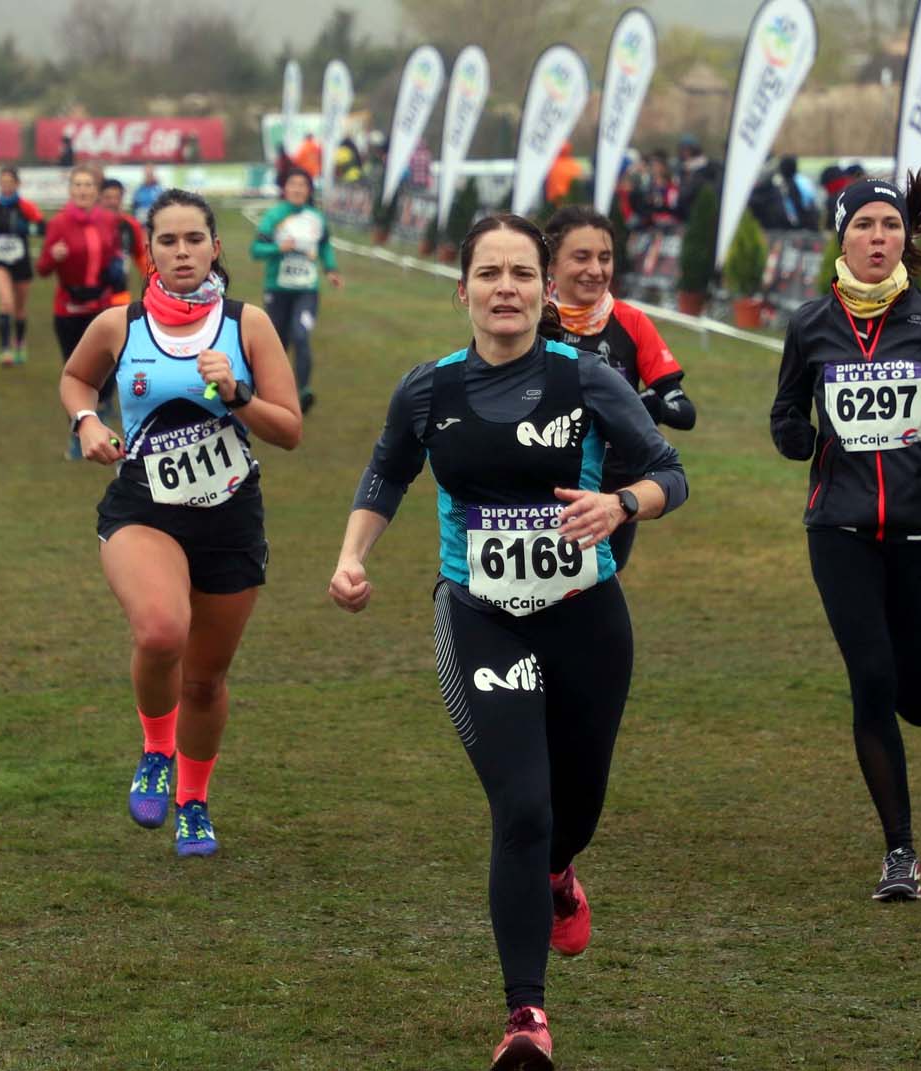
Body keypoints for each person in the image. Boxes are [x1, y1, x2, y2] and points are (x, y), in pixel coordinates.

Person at [328, 212, 687, 1070]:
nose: (505, 289)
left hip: (585, 618)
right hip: (481, 614)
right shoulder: (428, 389)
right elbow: (387, 471)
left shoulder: (590, 379)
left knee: (577, 807)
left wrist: (623, 504)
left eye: (522, 273)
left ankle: (564, 872)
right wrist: (350, 556)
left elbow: (668, 471)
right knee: (522, 807)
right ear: (462, 291)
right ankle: (526, 1015)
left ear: (545, 290)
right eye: (489, 273)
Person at [769, 172, 921, 901]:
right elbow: (786, 416)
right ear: (840, 237)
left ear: (907, 237)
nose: (878, 238)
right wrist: (793, 434)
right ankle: (900, 851)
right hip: (839, 527)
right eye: (864, 226)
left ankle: (913, 703)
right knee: (871, 682)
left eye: (889, 226)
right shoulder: (810, 324)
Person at [59, 188, 302, 858]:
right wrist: (86, 421)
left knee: (204, 679)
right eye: (168, 240)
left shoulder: (246, 325)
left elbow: (289, 430)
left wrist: (237, 393)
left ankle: (193, 801)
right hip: (144, 509)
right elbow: (77, 379)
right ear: (150, 252)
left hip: (229, 519)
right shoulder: (121, 325)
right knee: (162, 629)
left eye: (195, 239)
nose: (183, 251)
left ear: (215, 247)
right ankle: (156, 750)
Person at [544, 205, 697, 570]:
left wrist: (649, 406)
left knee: (596, 593)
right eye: (581, 257)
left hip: (615, 492)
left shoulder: (631, 321)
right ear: (550, 264)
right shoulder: (531, 321)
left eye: (605, 258)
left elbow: (684, 411)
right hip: (544, 483)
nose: (596, 270)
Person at [38, 165, 124, 456]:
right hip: (68, 309)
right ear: (71, 190)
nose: (83, 191)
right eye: (78, 185)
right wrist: (54, 256)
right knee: (76, 375)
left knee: (108, 368)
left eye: (88, 185)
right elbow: (42, 268)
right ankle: (77, 434)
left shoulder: (109, 221)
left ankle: (101, 419)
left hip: (100, 307)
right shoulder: (58, 224)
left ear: (96, 191)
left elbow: (115, 257)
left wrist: (115, 271)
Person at [250, 167, 339, 414]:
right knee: (278, 342)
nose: (298, 189)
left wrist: (331, 269)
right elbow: (256, 250)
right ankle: (271, 392)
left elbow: (324, 246)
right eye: (293, 185)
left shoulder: (316, 218)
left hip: (307, 291)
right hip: (277, 290)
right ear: (285, 189)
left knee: (301, 335)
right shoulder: (274, 217)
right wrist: (279, 248)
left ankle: (304, 392)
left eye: (303, 185)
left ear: (309, 190)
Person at [0, 166, 46, 367]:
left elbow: (43, 228)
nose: (7, 186)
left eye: (10, 182)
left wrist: (26, 227)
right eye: (3, 182)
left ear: (17, 184)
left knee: (19, 309)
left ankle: (19, 342)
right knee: (5, 302)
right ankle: (5, 350)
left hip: (21, 262)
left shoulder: (26, 206)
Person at [99, 177, 149, 303]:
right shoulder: (90, 224)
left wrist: (152, 281)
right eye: (108, 197)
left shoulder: (130, 225)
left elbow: (141, 257)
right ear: (99, 198)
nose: (113, 202)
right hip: (92, 298)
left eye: (117, 198)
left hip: (120, 295)